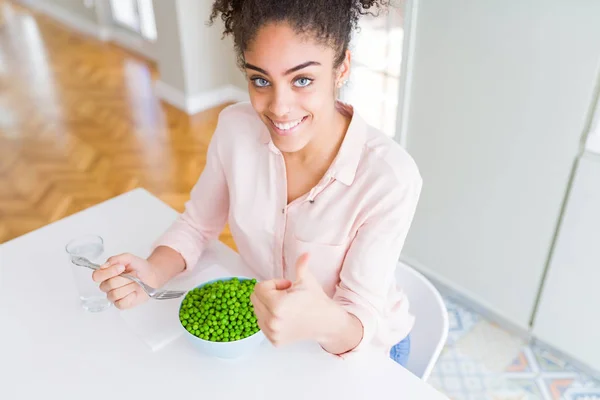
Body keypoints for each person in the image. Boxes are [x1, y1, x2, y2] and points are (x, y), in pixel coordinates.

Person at [92, 0, 422, 366]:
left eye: (302, 80)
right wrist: (153, 271)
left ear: (342, 66)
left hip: (366, 352)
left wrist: (320, 320)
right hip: (271, 333)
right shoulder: (235, 128)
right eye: (260, 80)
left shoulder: (389, 177)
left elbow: (359, 317)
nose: (279, 107)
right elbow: (197, 225)